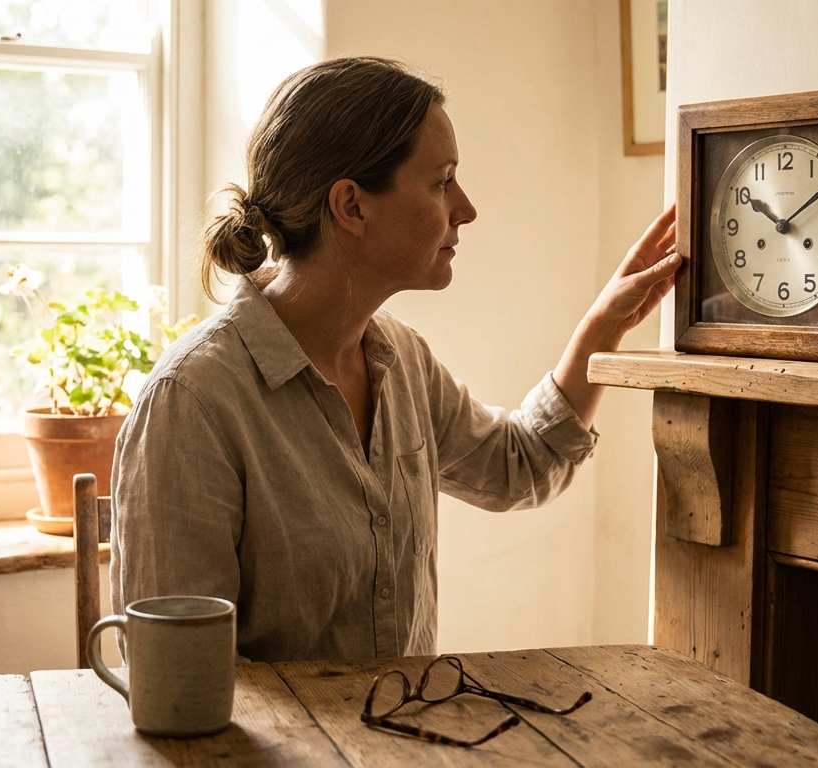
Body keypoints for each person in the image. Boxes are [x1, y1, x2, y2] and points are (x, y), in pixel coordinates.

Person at [111, 56, 678, 663]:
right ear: (352, 206)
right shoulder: (192, 402)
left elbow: (520, 467)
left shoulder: (400, 359)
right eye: (442, 181)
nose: (466, 208)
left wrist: (603, 326)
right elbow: (173, 676)